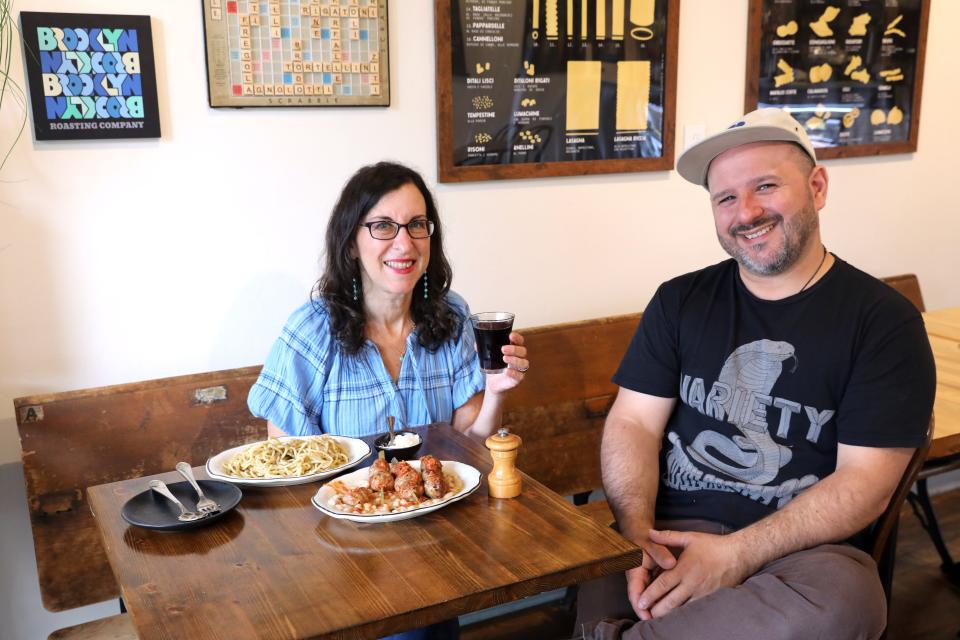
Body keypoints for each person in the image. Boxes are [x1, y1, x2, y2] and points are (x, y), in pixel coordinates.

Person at [574, 108, 936, 640]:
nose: (745, 212)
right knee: (591, 562)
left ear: (817, 186)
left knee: (849, 602)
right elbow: (633, 423)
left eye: (765, 186)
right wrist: (634, 533)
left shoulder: (882, 322)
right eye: (725, 198)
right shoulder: (681, 301)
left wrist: (736, 556)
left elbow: (865, 484)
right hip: (669, 536)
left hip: (798, 557)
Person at [248, 161, 529, 640]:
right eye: (383, 226)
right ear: (351, 241)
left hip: (437, 537)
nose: (404, 243)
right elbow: (289, 470)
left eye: (417, 225)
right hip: (342, 552)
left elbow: (469, 446)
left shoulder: (453, 316)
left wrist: (497, 393)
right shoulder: (311, 331)